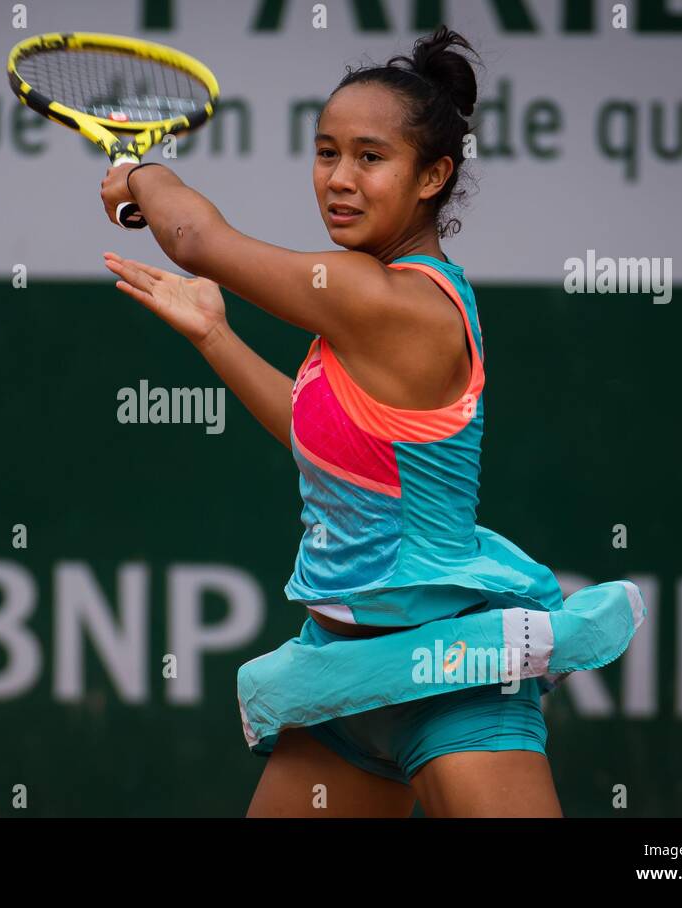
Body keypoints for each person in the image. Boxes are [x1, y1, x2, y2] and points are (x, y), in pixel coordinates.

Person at [99, 25, 644, 817]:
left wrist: (139, 173)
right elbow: (323, 445)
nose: (340, 179)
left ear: (434, 175)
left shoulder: (388, 300)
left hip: (449, 680)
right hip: (346, 683)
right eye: (326, 153)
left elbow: (194, 238)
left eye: (370, 157)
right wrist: (216, 336)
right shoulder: (361, 306)